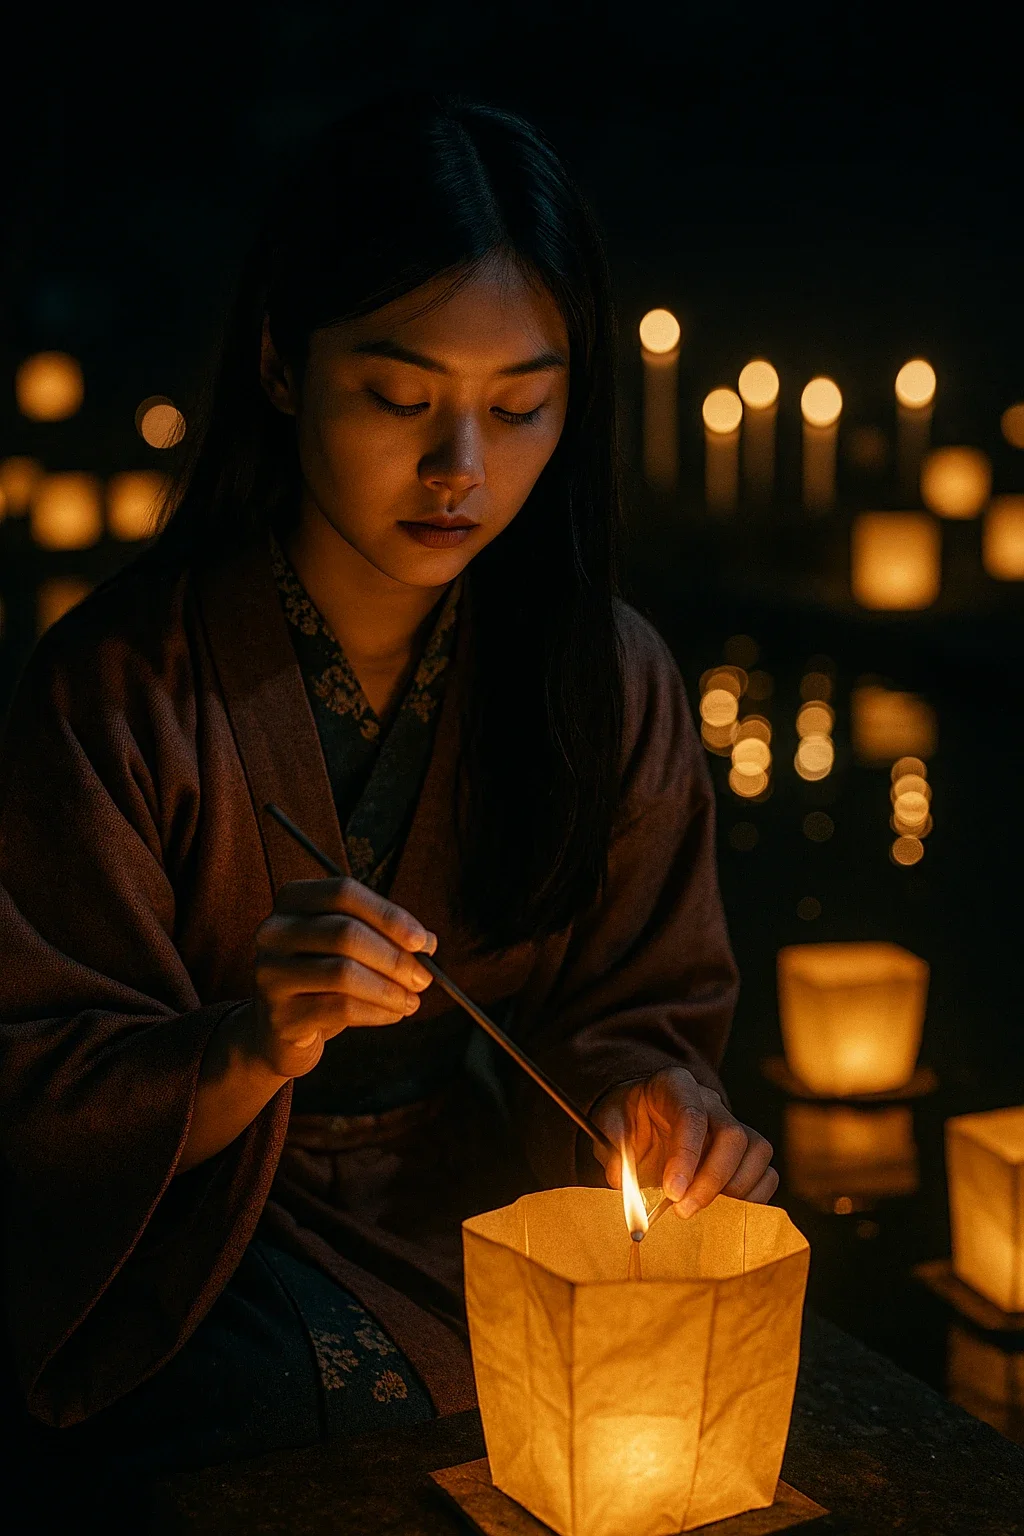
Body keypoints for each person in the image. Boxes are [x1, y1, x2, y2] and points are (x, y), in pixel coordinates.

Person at [0, 93, 776, 1482]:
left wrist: (655, 1099)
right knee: (259, 1413)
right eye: (401, 399)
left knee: (676, 1380)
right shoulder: (122, 689)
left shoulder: (604, 679)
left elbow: (635, 1002)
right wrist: (253, 1041)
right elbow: (35, 1082)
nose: (459, 470)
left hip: (467, 1198)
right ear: (282, 365)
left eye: (520, 407)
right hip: (196, 1231)